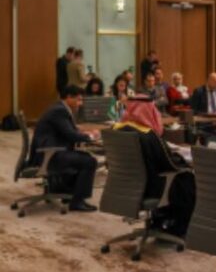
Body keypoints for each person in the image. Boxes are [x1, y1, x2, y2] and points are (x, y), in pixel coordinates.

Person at [113, 98, 196, 237]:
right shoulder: (147, 134)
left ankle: (158, 222)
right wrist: (183, 159)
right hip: (150, 188)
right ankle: (178, 228)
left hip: (123, 185)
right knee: (187, 178)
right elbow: (168, 162)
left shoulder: (117, 129)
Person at [29, 85, 99, 212]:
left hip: (51, 151)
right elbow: (70, 134)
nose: (80, 103)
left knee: (83, 157)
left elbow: (69, 130)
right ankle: (77, 202)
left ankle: (67, 193)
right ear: (69, 97)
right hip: (49, 155)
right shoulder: (59, 111)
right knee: (89, 161)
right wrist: (90, 137)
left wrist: (84, 133)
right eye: (78, 99)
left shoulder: (59, 108)